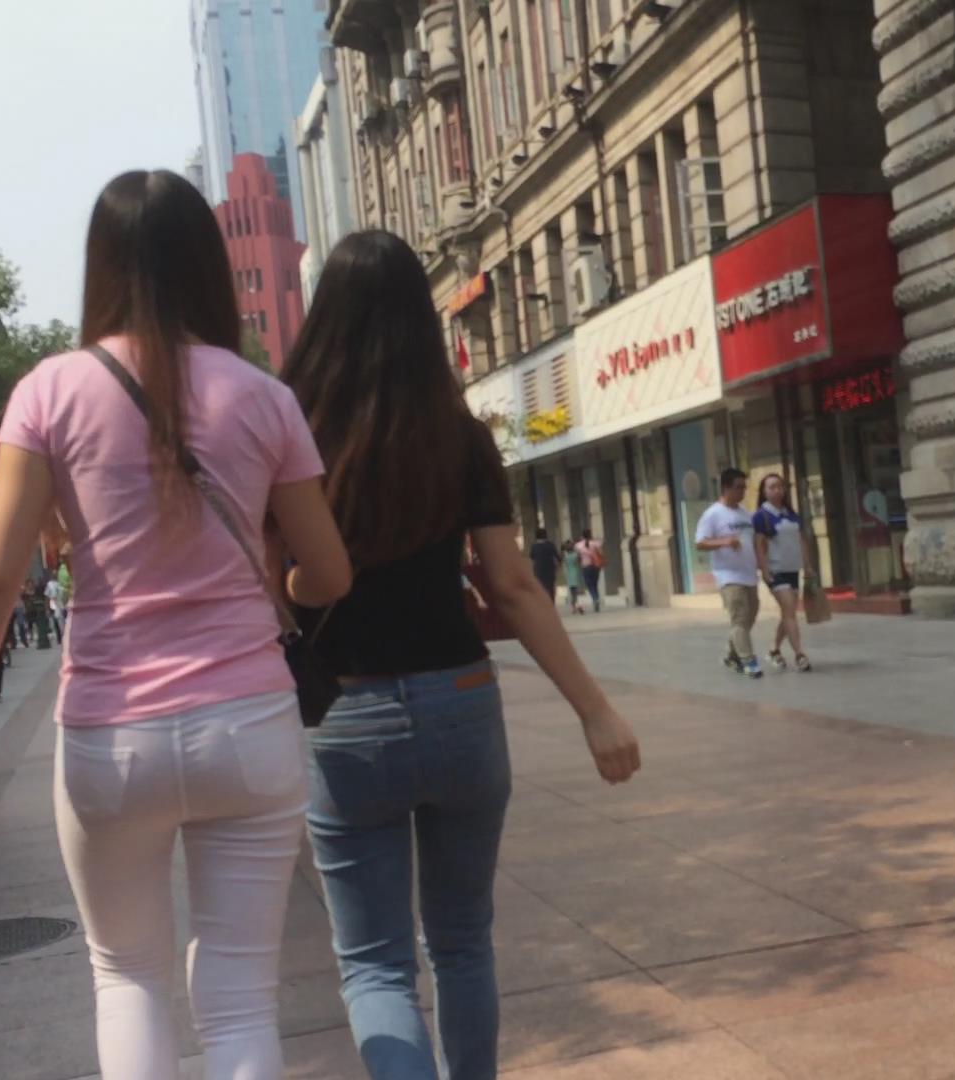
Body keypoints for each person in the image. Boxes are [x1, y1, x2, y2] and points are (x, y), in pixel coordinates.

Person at [0, 169, 353, 1080]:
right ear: (207, 265)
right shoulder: (264, 395)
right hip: (249, 726)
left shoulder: (50, 390)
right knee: (241, 998)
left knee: (126, 977)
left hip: (111, 737)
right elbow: (331, 572)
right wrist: (275, 579)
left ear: (101, 265)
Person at [282, 229, 639, 1080]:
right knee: (464, 942)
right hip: (461, 701)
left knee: (376, 965)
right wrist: (596, 711)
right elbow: (512, 586)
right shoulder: (459, 435)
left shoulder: (293, 434)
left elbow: (272, 580)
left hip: (348, 714)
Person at [696, 468, 762, 678]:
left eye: (744, 487)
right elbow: (700, 543)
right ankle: (748, 660)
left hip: (749, 574)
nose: (742, 491)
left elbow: (753, 541)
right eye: (738, 487)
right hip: (729, 576)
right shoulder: (713, 514)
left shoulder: (745, 513)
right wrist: (724, 541)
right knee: (739, 617)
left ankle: (732, 654)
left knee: (750, 615)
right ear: (725, 488)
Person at [753, 474, 814, 672]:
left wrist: (808, 566)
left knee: (789, 613)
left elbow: (802, 540)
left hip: (792, 569)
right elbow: (759, 545)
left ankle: (774, 650)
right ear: (764, 491)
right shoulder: (761, 516)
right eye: (771, 487)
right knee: (790, 611)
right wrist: (764, 570)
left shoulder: (791, 514)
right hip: (775, 571)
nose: (777, 490)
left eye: (779, 486)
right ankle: (799, 654)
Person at [572, 528, 604, 614]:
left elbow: (577, 556)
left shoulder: (578, 545)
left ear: (582, 535)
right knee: (594, 583)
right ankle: (596, 598)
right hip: (596, 566)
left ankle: (595, 598)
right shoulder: (596, 543)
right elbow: (601, 554)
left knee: (589, 584)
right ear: (590, 535)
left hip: (585, 567)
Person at [529, 528, 561, 609]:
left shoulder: (534, 546)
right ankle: (551, 605)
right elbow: (557, 557)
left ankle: (542, 605)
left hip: (538, 570)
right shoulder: (550, 545)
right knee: (551, 588)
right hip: (550, 570)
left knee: (540, 588)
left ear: (536, 536)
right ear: (546, 535)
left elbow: (532, 558)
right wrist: (558, 566)